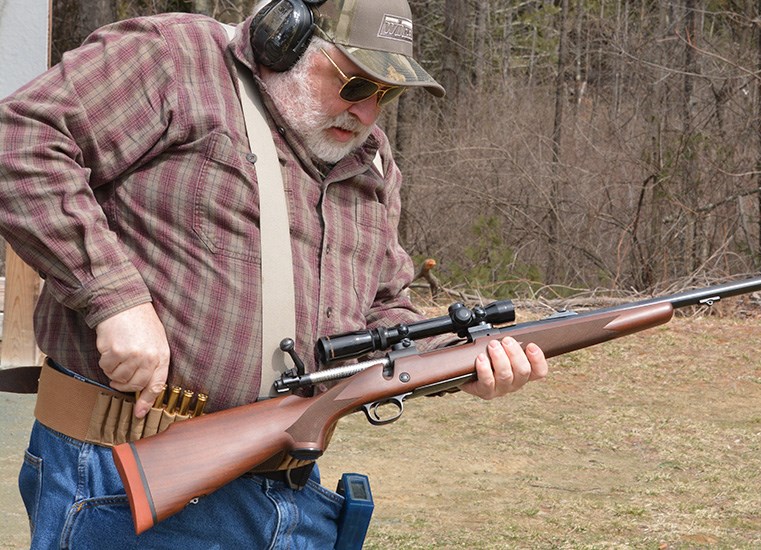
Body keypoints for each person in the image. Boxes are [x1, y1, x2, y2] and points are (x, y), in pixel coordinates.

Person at [0, 0, 548, 547]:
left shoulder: (372, 162)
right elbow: (20, 142)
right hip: (122, 478)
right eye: (355, 84)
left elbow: (384, 311)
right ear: (283, 38)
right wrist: (115, 299)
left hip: (295, 501)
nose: (367, 114)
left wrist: (459, 367)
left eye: (389, 94)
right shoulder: (176, 59)